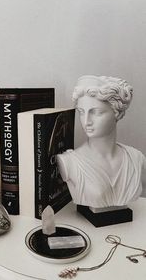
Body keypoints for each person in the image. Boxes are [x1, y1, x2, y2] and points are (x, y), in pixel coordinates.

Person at [57, 75, 146, 208]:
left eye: (96, 112)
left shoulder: (136, 158)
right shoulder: (69, 162)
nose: (86, 121)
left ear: (117, 112)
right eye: (81, 112)